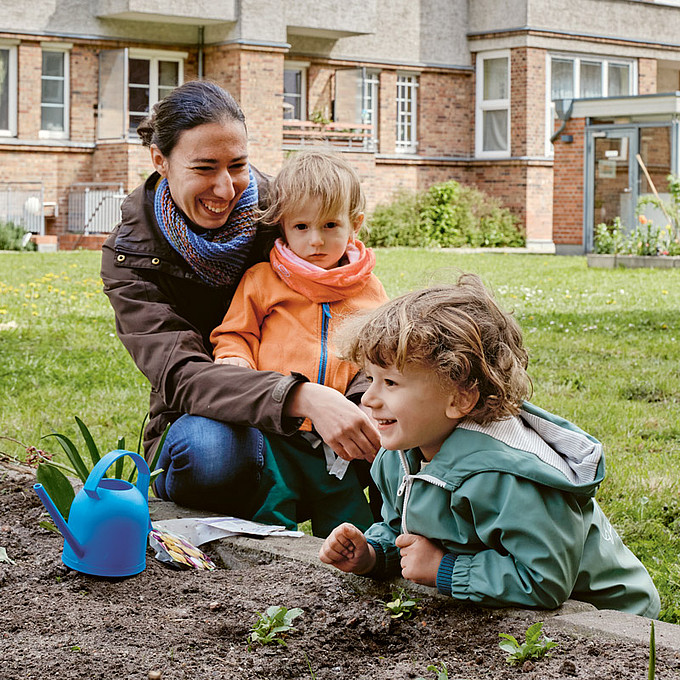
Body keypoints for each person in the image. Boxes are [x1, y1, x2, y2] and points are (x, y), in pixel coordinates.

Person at [100, 80, 381, 519]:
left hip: (329, 412)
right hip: (205, 415)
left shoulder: (289, 213)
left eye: (238, 165)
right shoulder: (132, 255)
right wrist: (302, 397)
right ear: (161, 161)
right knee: (212, 453)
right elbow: (182, 376)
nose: (226, 188)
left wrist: (363, 397)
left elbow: (358, 306)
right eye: (205, 167)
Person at [319, 274, 660, 617]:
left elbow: (545, 579)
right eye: (370, 378)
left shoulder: (505, 477)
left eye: (390, 382)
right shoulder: (401, 454)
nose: (370, 398)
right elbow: (403, 529)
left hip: (608, 616)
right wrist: (374, 555)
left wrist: (444, 569)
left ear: (460, 396)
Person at [209, 149, 389, 536]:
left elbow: (382, 356)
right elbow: (236, 333)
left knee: (347, 511)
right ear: (283, 227)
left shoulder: (368, 291)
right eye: (302, 227)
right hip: (277, 427)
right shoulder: (264, 280)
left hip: (338, 434)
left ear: (354, 225)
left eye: (330, 225)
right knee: (272, 504)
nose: (316, 241)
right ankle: (272, 565)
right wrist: (235, 359)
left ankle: (356, 561)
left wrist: (371, 400)